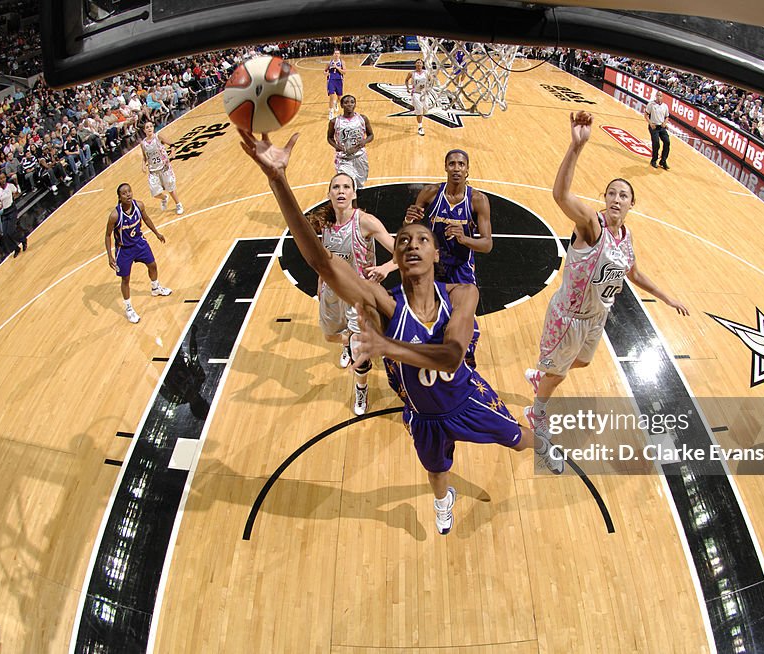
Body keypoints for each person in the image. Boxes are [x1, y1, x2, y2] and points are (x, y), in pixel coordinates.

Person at [238, 128, 562, 536]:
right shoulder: (385, 304)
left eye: (421, 239)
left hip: (465, 398)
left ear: (436, 252)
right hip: (423, 414)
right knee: (436, 470)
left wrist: (388, 345)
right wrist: (278, 181)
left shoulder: (463, 293)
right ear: (396, 254)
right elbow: (322, 263)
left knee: (517, 440)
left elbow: (451, 355)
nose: (411, 243)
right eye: (404, 239)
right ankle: (444, 502)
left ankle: (546, 445)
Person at [525, 112, 689, 437]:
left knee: (582, 363)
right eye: (611, 192)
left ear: (632, 204)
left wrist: (667, 297)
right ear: (604, 199)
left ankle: (544, 374)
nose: (616, 198)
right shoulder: (592, 225)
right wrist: (576, 146)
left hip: (597, 317)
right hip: (570, 316)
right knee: (559, 376)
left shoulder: (626, 237)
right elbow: (560, 195)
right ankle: (537, 410)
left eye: (623, 195)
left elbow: (634, 273)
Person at [313, 172, 397, 415]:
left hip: (358, 296)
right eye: (336, 187)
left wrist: (385, 267)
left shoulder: (366, 221)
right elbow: (326, 258)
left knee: (358, 349)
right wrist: (320, 282)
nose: (341, 191)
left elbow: (400, 253)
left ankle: (361, 389)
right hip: (331, 291)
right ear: (329, 194)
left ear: (354, 193)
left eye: (346, 187)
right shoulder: (326, 222)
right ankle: (348, 341)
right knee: (330, 336)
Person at [405, 149, 491, 367]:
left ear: (467, 169)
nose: (456, 168)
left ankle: (468, 352)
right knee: (432, 311)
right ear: (445, 167)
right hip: (435, 264)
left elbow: (487, 244)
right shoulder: (430, 193)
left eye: (461, 164)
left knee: (465, 312)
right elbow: (412, 228)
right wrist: (407, 221)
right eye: (452, 164)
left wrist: (464, 239)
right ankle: (430, 349)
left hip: (461, 265)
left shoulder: (478, 200)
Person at [104, 183, 172, 324]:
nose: (128, 194)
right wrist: (110, 256)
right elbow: (107, 235)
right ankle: (129, 308)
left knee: (152, 265)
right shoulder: (115, 215)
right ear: (119, 197)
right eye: (124, 193)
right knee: (125, 279)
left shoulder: (139, 205)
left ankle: (155, 287)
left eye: (129, 191)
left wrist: (157, 233)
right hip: (124, 250)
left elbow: (146, 219)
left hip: (140, 243)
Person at [327, 95, 374, 191]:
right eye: (346, 102)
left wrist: (362, 142)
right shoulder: (334, 121)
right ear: (341, 105)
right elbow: (329, 137)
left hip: (360, 156)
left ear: (355, 104)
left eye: (352, 102)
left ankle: (356, 203)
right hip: (344, 158)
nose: (349, 104)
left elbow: (371, 135)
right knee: (348, 184)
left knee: (359, 184)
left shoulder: (363, 119)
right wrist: (337, 146)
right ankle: (353, 206)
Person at [139, 121, 184, 215]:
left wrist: (173, 152)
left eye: (151, 126)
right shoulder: (143, 143)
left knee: (171, 188)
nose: (149, 128)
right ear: (144, 130)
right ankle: (164, 198)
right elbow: (144, 157)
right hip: (153, 170)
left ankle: (178, 204)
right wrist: (143, 166)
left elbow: (172, 144)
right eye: (147, 127)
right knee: (154, 193)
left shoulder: (158, 137)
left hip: (164, 167)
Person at [0, 172, 25, 257]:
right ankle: (16, 248)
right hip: (5, 212)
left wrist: (14, 196)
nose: (3, 180)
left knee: (11, 232)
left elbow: (17, 192)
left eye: (4, 178)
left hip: (12, 209)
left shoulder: (10, 186)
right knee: (5, 234)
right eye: (1, 179)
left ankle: (23, 240)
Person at [644, 90, 671, 170]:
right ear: (656, 96)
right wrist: (650, 123)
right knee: (656, 144)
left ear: (662, 97)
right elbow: (646, 115)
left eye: (661, 95)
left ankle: (663, 161)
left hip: (661, 127)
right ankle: (654, 160)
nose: (659, 97)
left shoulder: (665, 106)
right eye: (658, 95)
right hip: (654, 126)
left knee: (667, 142)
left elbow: (667, 117)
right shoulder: (651, 104)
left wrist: (665, 123)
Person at [405, 59, 432, 136]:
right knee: (419, 110)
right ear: (415, 64)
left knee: (425, 110)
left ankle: (418, 112)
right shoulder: (411, 73)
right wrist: (407, 87)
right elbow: (406, 80)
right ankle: (420, 127)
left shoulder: (426, 73)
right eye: (418, 62)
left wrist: (429, 86)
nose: (419, 64)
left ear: (422, 65)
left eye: (420, 63)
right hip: (416, 93)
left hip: (424, 93)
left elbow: (431, 80)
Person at [325, 50, 346, 121]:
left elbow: (344, 72)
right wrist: (325, 73)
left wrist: (337, 68)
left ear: (339, 54)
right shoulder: (329, 62)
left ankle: (336, 103)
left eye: (338, 53)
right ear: (333, 54)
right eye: (335, 53)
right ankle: (331, 111)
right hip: (331, 80)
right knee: (331, 96)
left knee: (340, 97)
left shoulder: (342, 62)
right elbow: (325, 71)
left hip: (339, 80)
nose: (336, 54)